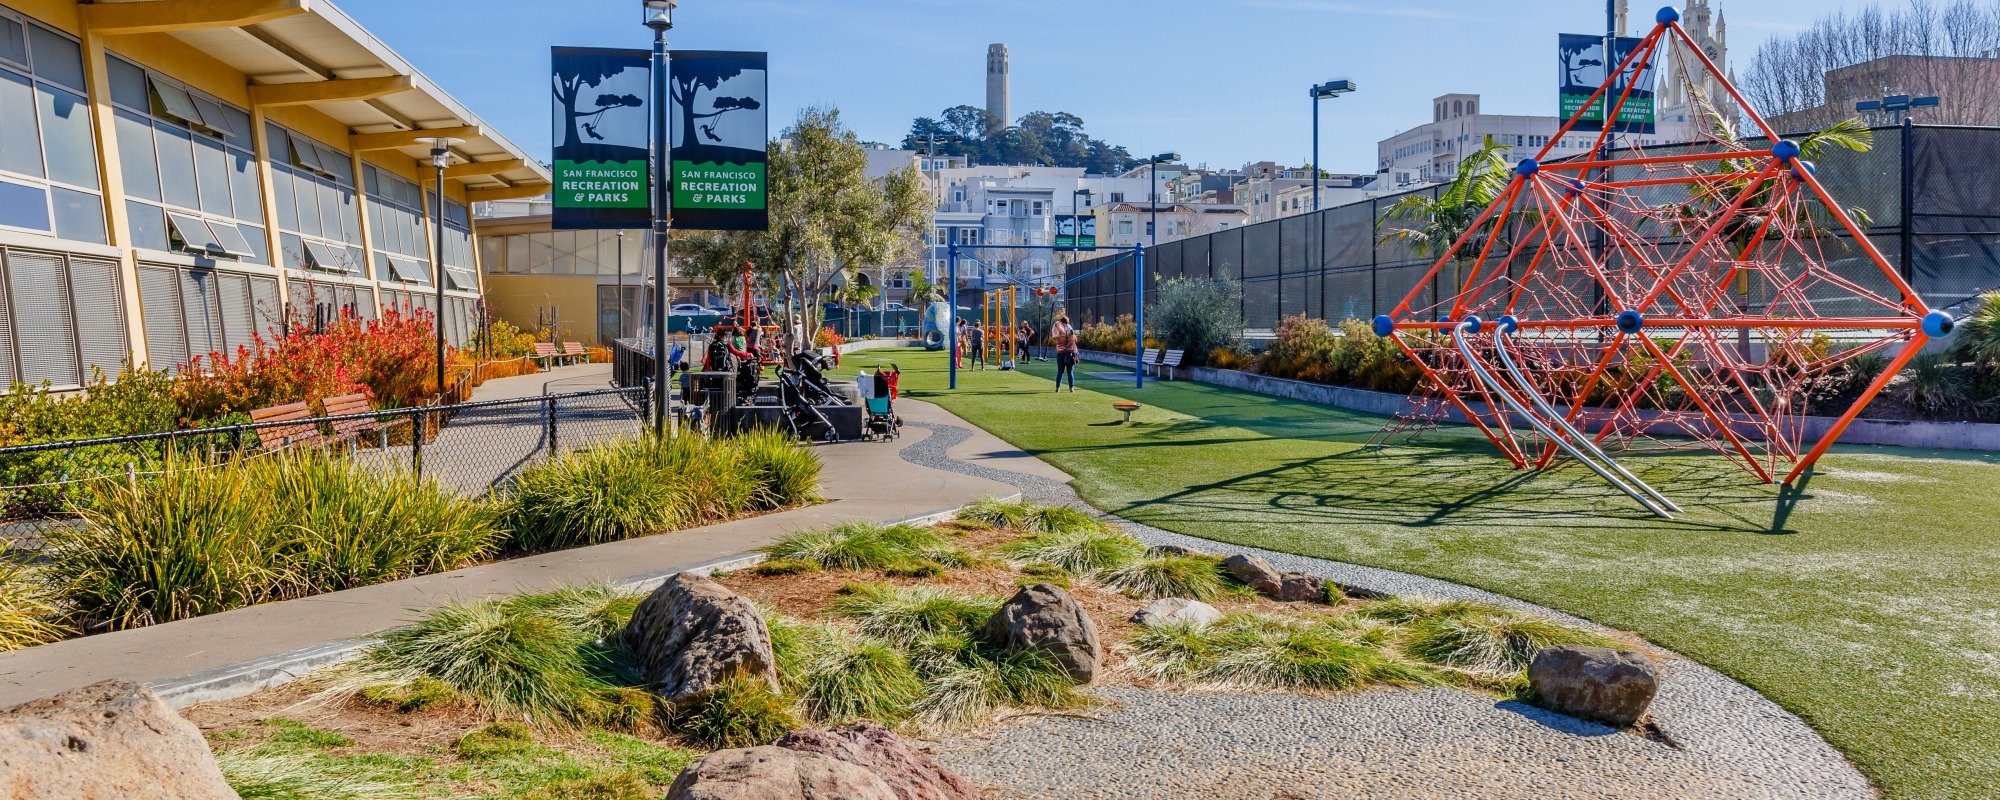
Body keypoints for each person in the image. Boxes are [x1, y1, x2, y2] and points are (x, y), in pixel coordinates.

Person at [1050, 312, 1078, 392]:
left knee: (1060, 371)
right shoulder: (1069, 330)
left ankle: (1057, 388)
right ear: (1066, 322)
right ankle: (1071, 388)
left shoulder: (1057, 328)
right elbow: (1074, 340)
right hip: (1069, 353)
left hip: (1060, 353)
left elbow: (1056, 337)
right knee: (1070, 372)